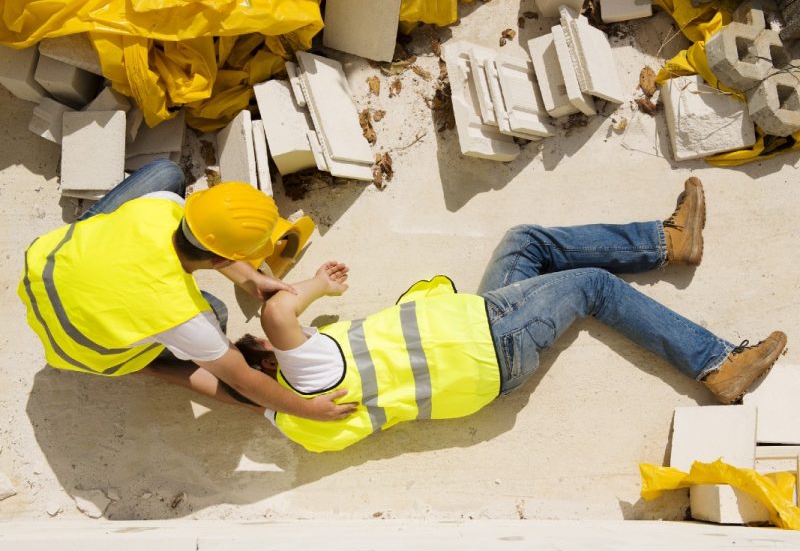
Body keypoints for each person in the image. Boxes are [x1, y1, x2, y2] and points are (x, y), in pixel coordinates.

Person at [233, 177, 787, 452]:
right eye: (261, 345)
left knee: (525, 242)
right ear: (267, 359)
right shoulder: (309, 374)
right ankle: (717, 364)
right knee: (593, 286)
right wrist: (315, 287)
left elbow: (226, 382)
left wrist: (224, 374)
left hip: (483, 349)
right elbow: (279, 312)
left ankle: (669, 242)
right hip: (489, 337)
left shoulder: (296, 425)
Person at [19, 158, 355, 421]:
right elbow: (243, 382)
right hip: (79, 347)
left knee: (165, 173)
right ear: (224, 260)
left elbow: (206, 243)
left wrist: (251, 278)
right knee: (218, 315)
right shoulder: (186, 317)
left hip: (45, 268)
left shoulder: (161, 205)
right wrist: (308, 410)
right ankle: (142, 363)